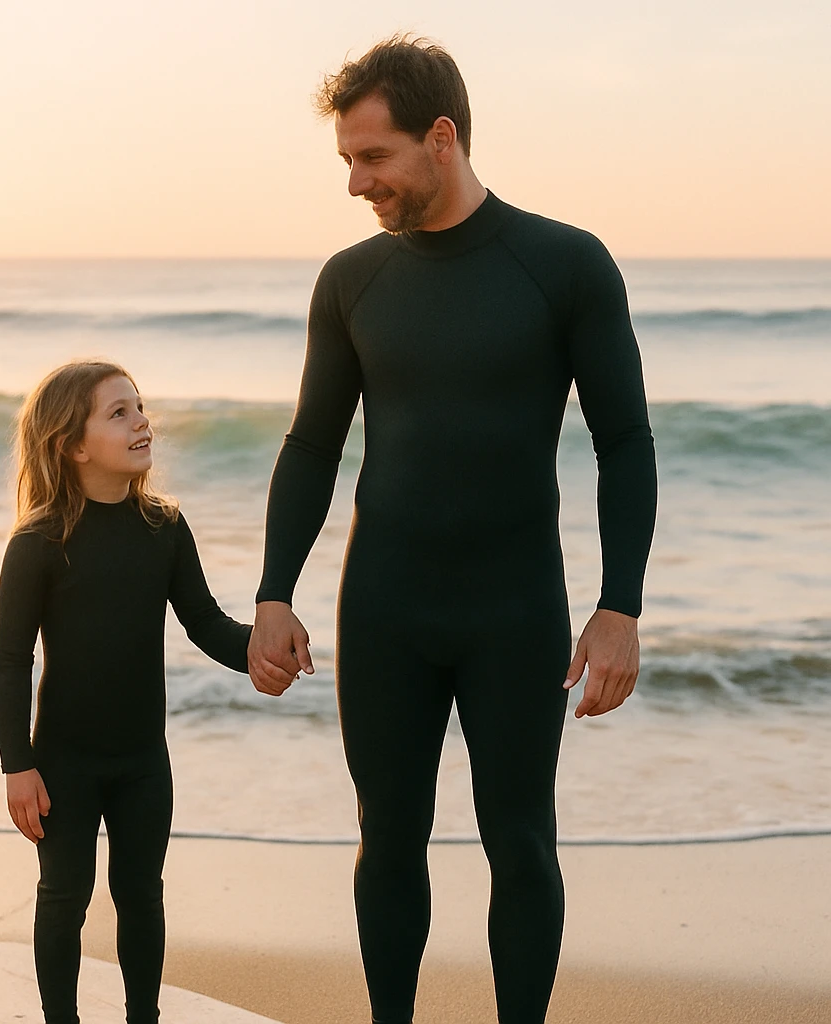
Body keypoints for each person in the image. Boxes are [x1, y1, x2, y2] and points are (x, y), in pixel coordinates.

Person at [247, 36, 657, 1024]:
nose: (355, 182)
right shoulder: (350, 280)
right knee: (387, 838)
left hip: (514, 610)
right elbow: (311, 444)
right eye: (346, 159)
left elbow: (624, 442)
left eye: (372, 157)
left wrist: (620, 607)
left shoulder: (564, 264)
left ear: (442, 138)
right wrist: (273, 592)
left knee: (521, 843)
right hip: (384, 607)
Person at [0, 360, 260, 1024]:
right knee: (64, 898)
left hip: (143, 761)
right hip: (64, 763)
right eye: (119, 413)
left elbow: (205, 623)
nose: (143, 422)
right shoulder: (39, 542)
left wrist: (260, 651)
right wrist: (17, 765)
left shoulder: (163, 527)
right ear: (72, 445)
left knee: (141, 895)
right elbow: (11, 662)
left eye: (139, 407)